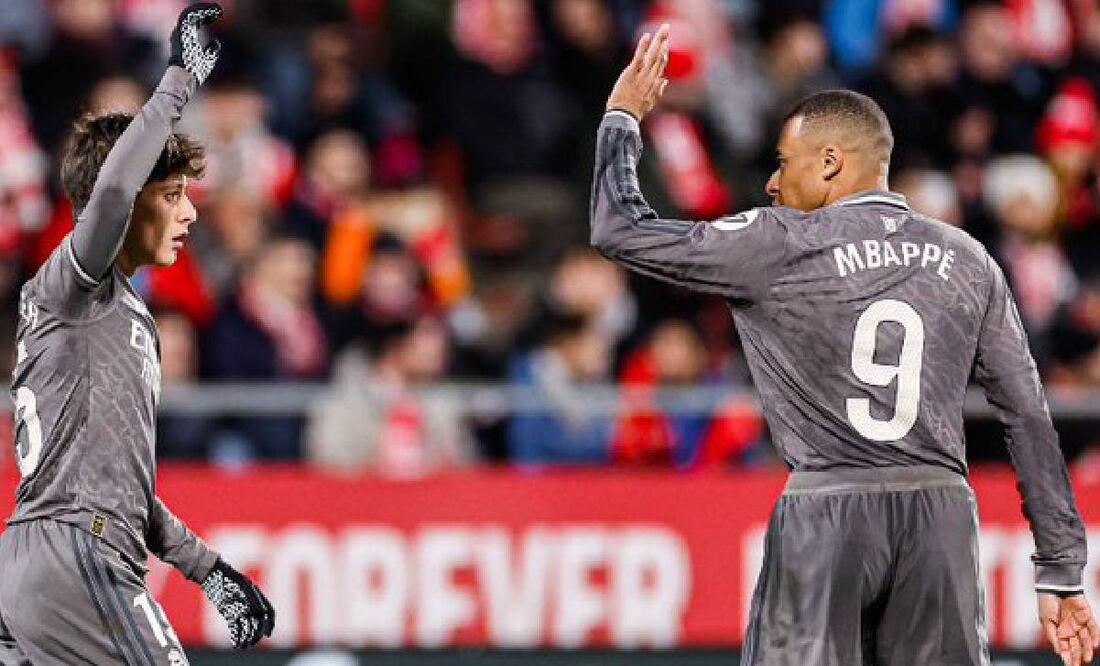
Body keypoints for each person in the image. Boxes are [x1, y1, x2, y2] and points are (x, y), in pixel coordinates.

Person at [592, 24, 1096, 666]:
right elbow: (1028, 414)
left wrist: (622, 118)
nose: (773, 184)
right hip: (940, 515)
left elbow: (619, 229)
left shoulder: (777, 242)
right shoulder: (968, 258)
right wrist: (1059, 568)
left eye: (783, 162)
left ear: (829, 162)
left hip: (829, 509)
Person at [0, 5, 274, 665]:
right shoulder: (75, 282)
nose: (190, 209)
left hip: (41, 561)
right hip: (81, 556)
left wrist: (204, 565)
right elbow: (117, 186)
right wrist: (176, 80)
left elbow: (116, 479)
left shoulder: (114, 312)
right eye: (173, 192)